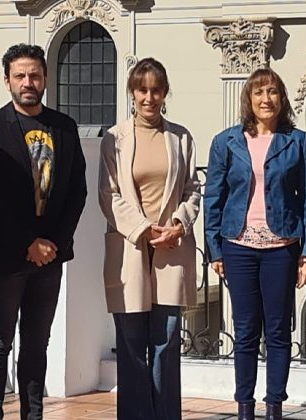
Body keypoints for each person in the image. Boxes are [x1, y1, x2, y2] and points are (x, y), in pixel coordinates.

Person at [0, 44, 87, 419]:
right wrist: (28, 243)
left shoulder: (64, 127)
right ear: (7, 81)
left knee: (37, 343)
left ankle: (32, 414)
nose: (28, 82)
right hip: (4, 255)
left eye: (35, 75)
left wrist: (52, 244)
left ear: (46, 79)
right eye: (20, 76)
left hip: (49, 257)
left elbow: (76, 191)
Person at [203, 68, 306, 420]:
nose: (265, 99)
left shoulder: (296, 141)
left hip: (281, 246)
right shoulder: (227, 142)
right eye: (258, 93)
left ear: (282, 99)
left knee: (278, 329)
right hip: (237, 244)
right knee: (245, 330)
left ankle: (274, 407)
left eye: (272, 92)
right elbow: (213, 198)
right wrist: (215, 249)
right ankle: (244, 407)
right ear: (249, 100)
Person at [98, 57, 200, 420]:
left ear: (165, 93)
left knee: (166, 344)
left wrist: (178, 223)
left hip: (171, 250)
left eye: (156, 90)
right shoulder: (115, 138)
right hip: (129, 251)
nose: (149, 97)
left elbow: (192, 189)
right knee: (130, 346)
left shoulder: (181, 137)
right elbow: (109, 195)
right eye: (142, 89)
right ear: (132, 92)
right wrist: (142, 229)